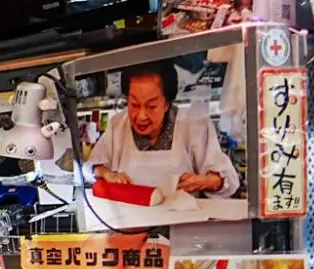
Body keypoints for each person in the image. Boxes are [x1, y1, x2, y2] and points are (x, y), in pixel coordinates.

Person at [86, 65, 241, 198]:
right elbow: (89, 169)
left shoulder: (193, 125)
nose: (141, 116)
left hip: (182, 227)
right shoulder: (118, 125)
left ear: (167, 103)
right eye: (134, 104)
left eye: (151, 106)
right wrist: (106, 174)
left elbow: (228, 181)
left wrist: (204, 182)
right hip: (130, 226)